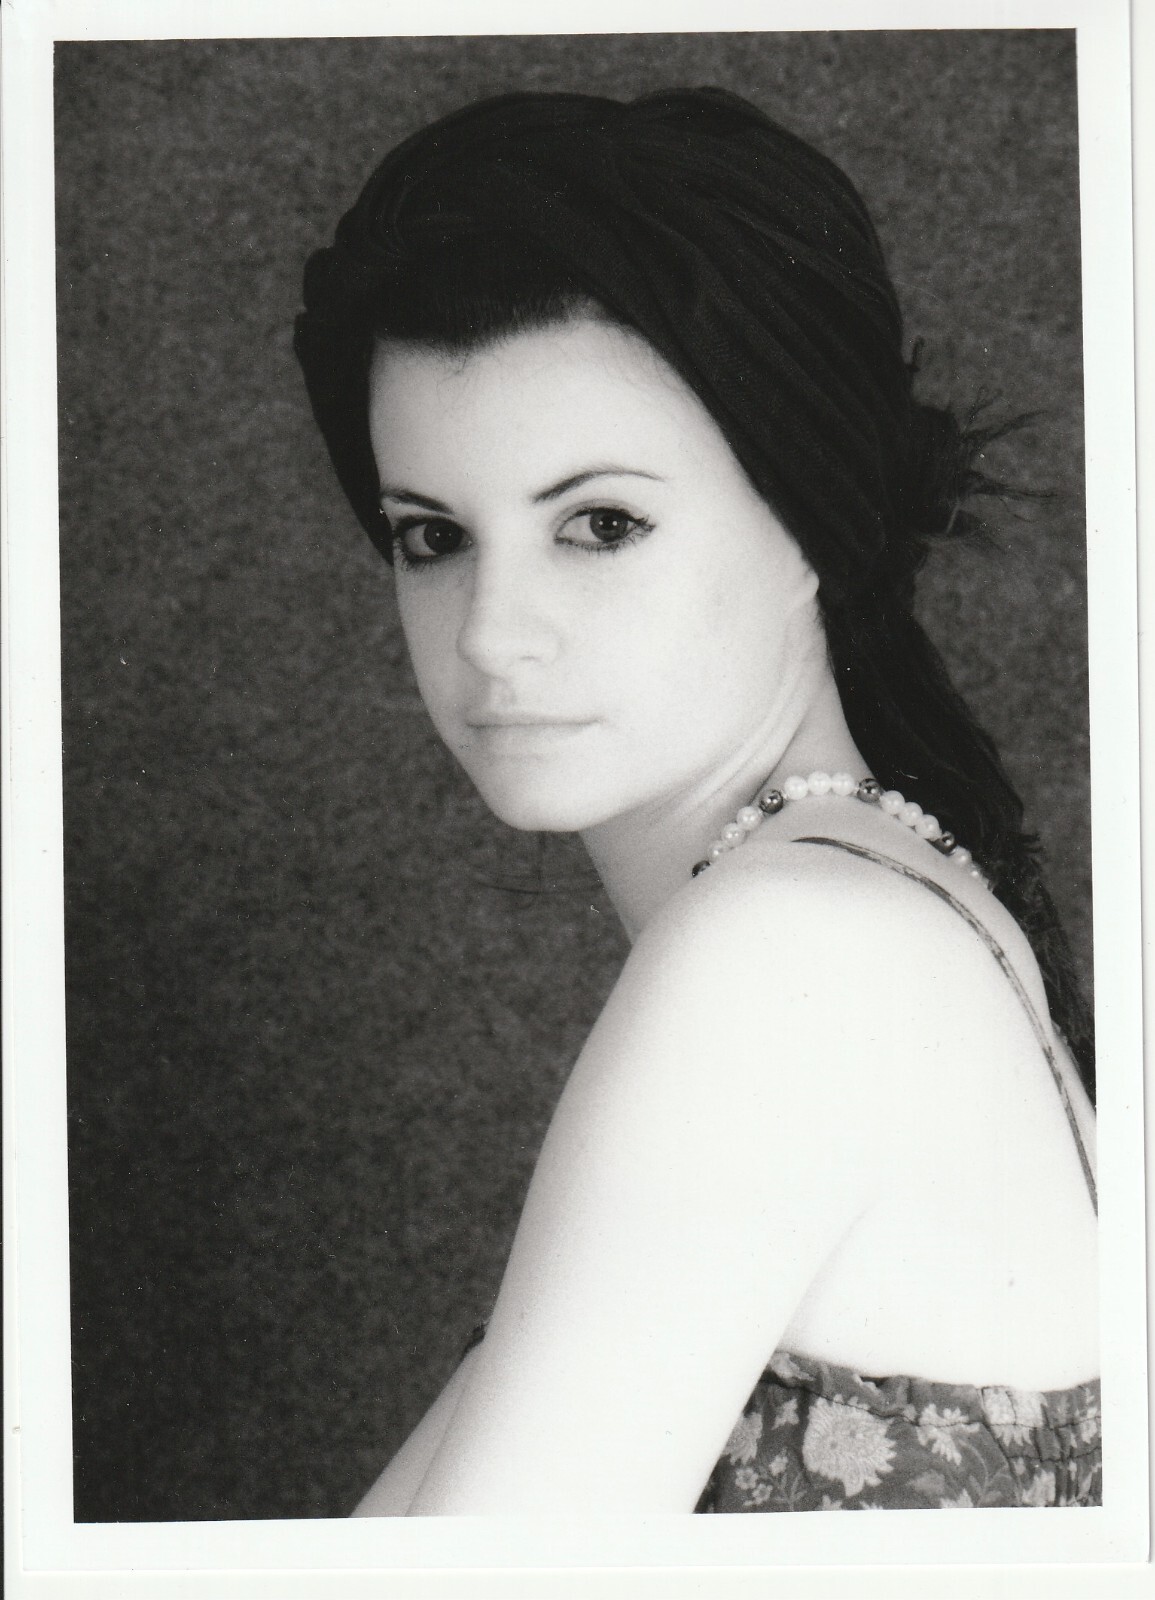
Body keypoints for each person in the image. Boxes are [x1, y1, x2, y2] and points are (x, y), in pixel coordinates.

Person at [294, 88, 1098, 1515]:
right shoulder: (875, 904)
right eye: (431, 537)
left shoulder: (792, 954)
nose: (492, 633)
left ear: (815, 519)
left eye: (600, 524)